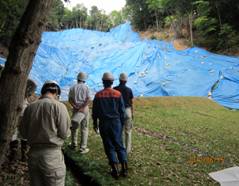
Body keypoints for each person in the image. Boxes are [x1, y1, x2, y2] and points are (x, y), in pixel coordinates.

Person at [20, 80, 70, 186]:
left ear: (43, 92)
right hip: (52, 156)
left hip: (33, 156)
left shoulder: (29, 107)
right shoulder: (59, 107)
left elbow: (23, 134)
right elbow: (64, 134)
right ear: (56, 93)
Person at [92, 72, 128, 179]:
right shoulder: (118, 94)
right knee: (119, 145)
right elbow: (122, 111)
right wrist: (121, 124)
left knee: (109, 146)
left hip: (104, 123)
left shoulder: (98, 95)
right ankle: (125, 169)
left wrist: (95, 123)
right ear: (112, 82)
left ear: (103, 82)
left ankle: (115, 169)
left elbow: (95, 111)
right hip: (116, 123)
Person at [9, 79, 37, 162]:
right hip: (21, 120)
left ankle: (15, 155)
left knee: (15, 136)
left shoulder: (21, 100)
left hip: (18, 119)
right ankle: (20, 155)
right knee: (21, 136)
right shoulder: (25, 103)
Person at [68, 72, 91, 154]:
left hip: (75, 109)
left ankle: (73, 144)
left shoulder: (72, 87)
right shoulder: (87, 87)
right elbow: (88, 99)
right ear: (85, 79)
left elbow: (70, 99)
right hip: (84, 109)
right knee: (84, 128)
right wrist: (82, 107)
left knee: (74, 127)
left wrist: (75, 106)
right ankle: (83, 148)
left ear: (78, 78)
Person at [114, 73, 134, 154]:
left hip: (118, 112)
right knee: (128, 131)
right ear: (126, 81)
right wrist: (132, 113)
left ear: (119, 80)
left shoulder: (115, 89)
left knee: (119, 131)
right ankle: (128, 149)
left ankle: (119, 148)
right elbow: (132, 102)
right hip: (127, 111)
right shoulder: (129, 90)